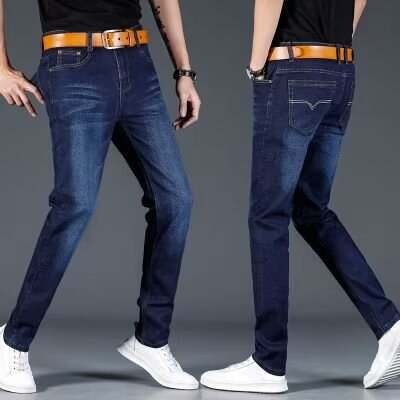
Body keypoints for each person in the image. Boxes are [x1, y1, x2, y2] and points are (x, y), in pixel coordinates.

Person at [0, 0, 201, 394]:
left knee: (175, 200)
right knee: (75, 203)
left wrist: (184, 72)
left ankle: (151, 339)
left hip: (137, 64)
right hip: (73, 65)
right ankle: (13, 341)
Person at [201, 0, 400, 393]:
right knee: (311, 209)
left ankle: (268, 363)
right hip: (340, 70)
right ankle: (390, 326)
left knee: (268, 215)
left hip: (295, 69)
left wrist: (257, 65)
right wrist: (334, 42)